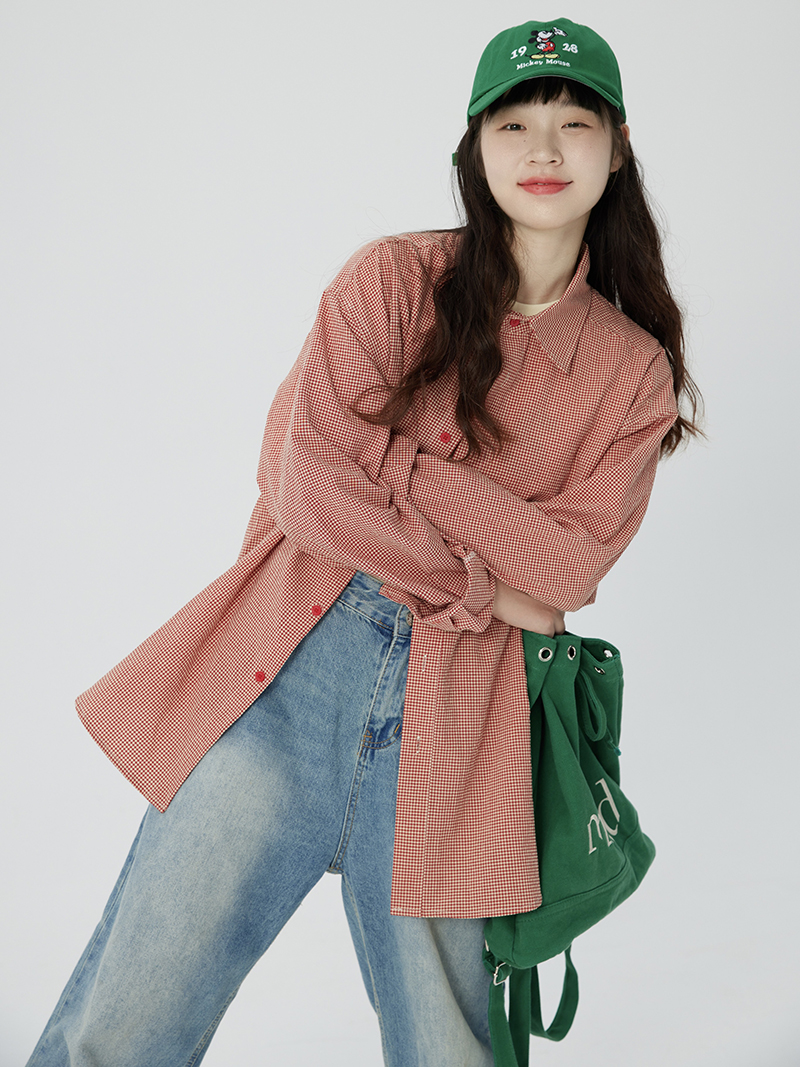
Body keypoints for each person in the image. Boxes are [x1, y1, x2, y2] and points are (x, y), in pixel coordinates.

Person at [26, 17, 701, 1067]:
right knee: (119, 1027)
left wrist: (396, 465)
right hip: (281, 684)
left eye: (574, 124)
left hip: (460, 739)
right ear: (474, 148)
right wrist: (482, 580)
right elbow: (306, 488)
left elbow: (569, 570)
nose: (542, 149)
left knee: (447, 1049)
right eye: (513, 123)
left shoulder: (632, 375)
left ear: (616, 150)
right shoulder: (391, 282)